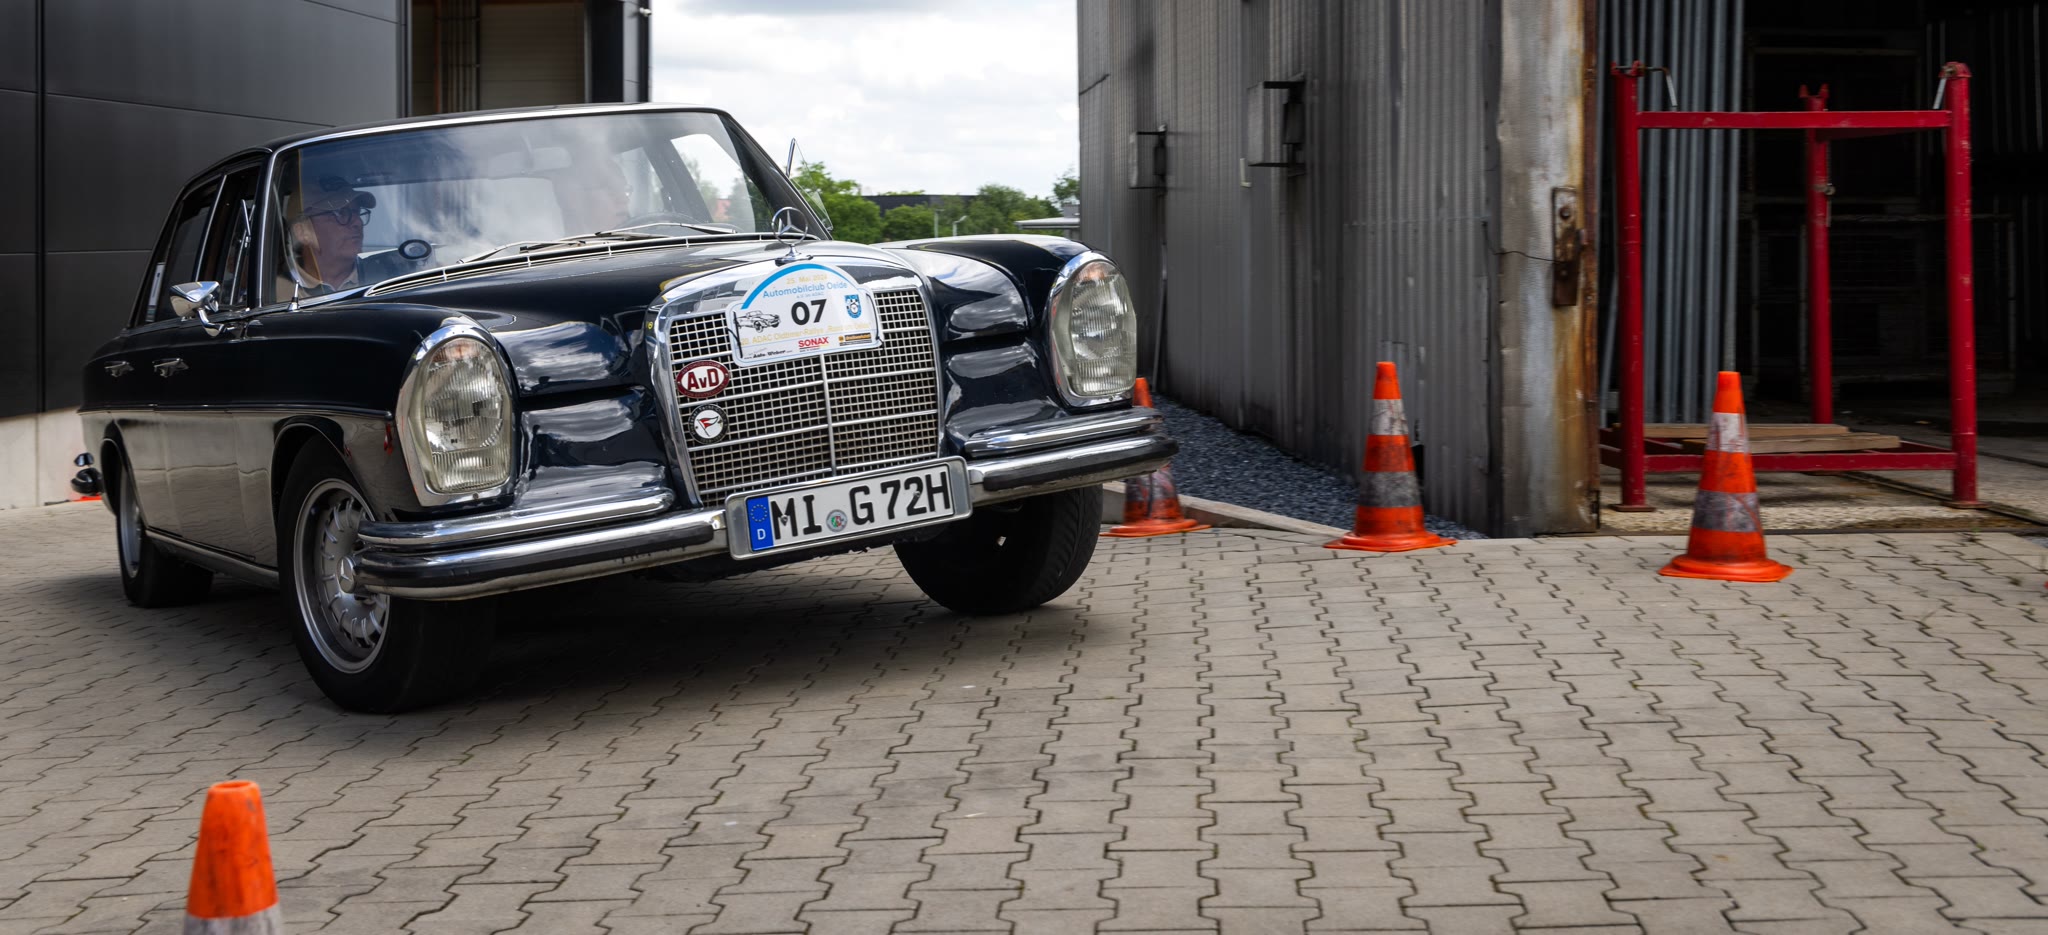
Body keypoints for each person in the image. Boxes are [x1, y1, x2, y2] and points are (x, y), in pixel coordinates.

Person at [285, 176, 377, 296]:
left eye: (357, 212)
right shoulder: (274, 293)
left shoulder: (384, 279)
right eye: (341, 213)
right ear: (302, 232)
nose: (358, 222)